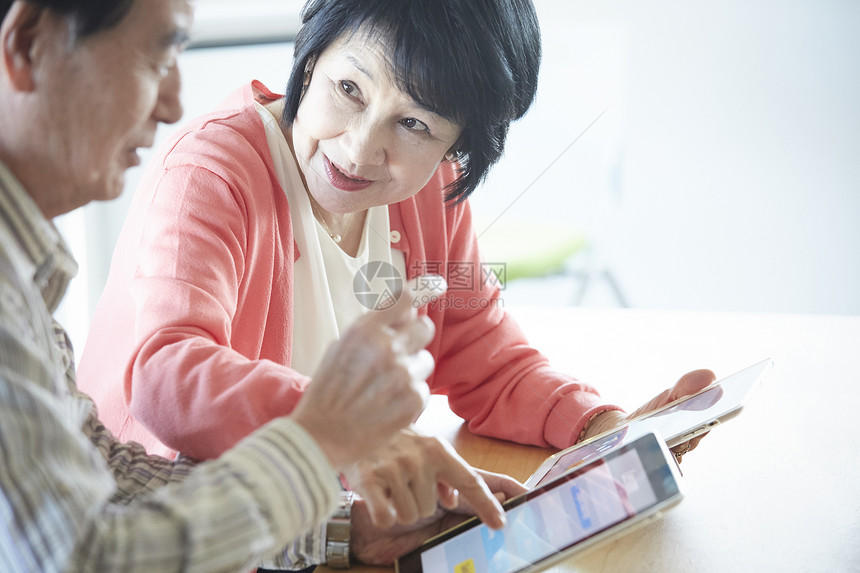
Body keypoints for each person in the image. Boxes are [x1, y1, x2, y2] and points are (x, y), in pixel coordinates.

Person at [77, 0, 716, 560]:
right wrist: (346, 433)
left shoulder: (431, 191)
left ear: (459, 149)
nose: (358, 148)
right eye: (350, 89)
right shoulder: (212, 174)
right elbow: (168, 373)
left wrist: (600, 432)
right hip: (171, 528)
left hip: (318, 528)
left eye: (415, 125)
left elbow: (484, 354)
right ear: (310, 57)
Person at [0, 1, 516, 571]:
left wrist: (343, 529)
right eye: (155, 57)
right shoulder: (210, 167)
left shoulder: (22, 275)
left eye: (417, 124)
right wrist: (329, 436)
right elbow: (88, 552)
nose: (174, 104)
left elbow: (104, 471)